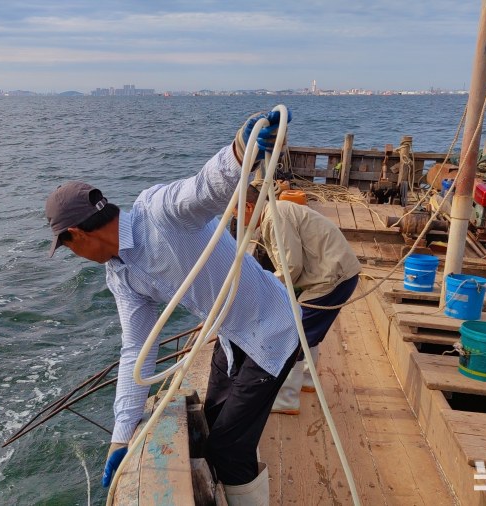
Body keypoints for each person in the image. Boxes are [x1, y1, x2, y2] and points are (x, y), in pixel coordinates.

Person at [45, 109, 296, 504]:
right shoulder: (123, 276)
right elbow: (136, 352)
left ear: (75, 236)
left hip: (274, 329)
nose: (73, 254)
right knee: (212, 427)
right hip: (233, 338)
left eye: (68, 247)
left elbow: (205, 188)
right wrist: (121, 436)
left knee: (229, 451)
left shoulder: (158, 212)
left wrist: (240, 149)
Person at [240, 181, 361, 415]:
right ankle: (306, 381)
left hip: (331, 278)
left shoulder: (274, 218)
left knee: (294, 335)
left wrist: (261, 290)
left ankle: (286, 398)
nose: (235, 219)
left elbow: (291, 266)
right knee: (308, 332)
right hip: (337, 273)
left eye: (234, 211)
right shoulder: (277, 211)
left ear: (247, 206)